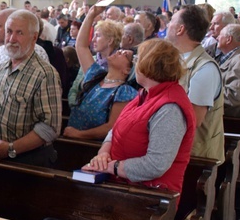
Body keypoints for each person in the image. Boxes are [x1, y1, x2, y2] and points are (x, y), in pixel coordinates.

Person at [81, 39, 196, 199]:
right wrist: (103, 154)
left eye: (138, 59)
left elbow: (156, 164)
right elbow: (116, 129)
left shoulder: (170, 108)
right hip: (123, 184)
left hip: (149, 195)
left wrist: (113, 167)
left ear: (149, 65)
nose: (135, 64)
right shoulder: (145, 94)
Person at [0, 10, 62, 167]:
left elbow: (49, 128)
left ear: (34, 37)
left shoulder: (45, 74)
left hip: (28, 162)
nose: (12, 39)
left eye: (19, 33)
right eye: (9, 31)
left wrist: (10, 149)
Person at [64, 4, 137, 140]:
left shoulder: (125, 92)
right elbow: (81, 46)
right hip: (72, 138)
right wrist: (91, 15)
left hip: (94, 149)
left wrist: (79, 134)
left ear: (127, 70)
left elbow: (112, 126)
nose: (119, 51)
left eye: (124, 54)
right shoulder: (96, 76)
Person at [166, 5, 225, 162]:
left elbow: (194, 119)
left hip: (196, 156)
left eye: (171, 21)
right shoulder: (174, 60)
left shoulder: (205, 68)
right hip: (174, 149)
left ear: (180, 29)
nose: (167, 25)